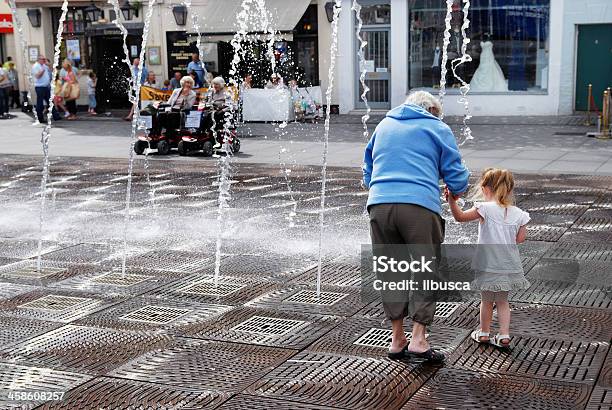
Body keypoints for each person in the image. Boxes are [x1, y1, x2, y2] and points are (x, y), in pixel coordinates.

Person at [363, 90, 469, 363]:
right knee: (424, 269)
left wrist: (381, 186)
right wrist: (457, 189)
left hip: (380, 205)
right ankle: (419, 339)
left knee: (391, 269)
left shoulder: (384, 124)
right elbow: (456, 175)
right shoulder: (436, 127)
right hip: (418, 206)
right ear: (432, 110)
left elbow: (368, 167)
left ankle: (397, 339)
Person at [446, 168, 530, 349]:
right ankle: (504, 335)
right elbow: (520, 239)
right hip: (508, 264)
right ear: (509, 189)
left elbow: (460, 217)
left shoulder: (484, 208)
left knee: (486, 300)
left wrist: (452, 202)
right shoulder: (518, 213)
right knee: (502, 301)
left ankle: (484, 332)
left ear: (485, 188)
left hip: (487, 263)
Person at [31, 55, 53, 123]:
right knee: (40, 104)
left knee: (50, 102)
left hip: (46, 86)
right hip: (40, 87)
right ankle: (40, 118)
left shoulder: (44, 65)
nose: (44, 60)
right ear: (39, 59)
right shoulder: (36, 66)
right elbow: (38, 76)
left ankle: (56, 116)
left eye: (45, 59)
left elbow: (51, 70)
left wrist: (49, 65)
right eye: (43, 59)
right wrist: (43, 70)